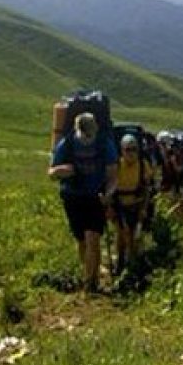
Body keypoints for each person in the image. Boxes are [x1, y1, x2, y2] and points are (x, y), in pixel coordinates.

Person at [48, 112, 118, 292]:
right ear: (78, 130)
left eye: (91, 135)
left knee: (93, 239)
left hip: (96, 197)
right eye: (86, 135)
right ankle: (89, 275)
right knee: (82, 241)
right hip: (73, 196)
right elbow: (51, 173)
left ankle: (90, 284)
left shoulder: (104, 144)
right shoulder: (67, 144)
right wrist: (62, 171)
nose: (89, 139)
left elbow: (112, 176)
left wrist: (108, 194)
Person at [111, 134, 152, 274]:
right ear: (122, 150)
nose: (131, 153)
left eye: (134, 149)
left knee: (135, 236)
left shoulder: (143, 165)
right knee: (122, 234)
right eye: (128, 149)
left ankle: (133, 264)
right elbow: (109, 187)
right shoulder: (116, 165)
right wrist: (109, 208)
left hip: (136, 205)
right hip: (119, 206)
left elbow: (147, 188)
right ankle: (120, 262)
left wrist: (144, 209)